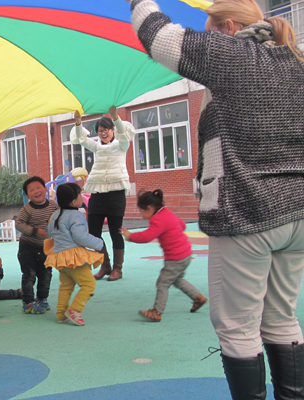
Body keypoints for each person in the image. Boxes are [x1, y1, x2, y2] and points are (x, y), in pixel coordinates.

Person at [128, 0, 304, 397]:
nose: (205, 37)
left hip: (247, 209)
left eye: (208, 30)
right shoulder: (296, 62)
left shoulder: (233, 54)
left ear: (228, 27)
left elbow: (158, 36)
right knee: (281, 317)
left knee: (237, 327)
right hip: (298, 211)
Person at [119, 189, 207, 323]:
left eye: (141, 211)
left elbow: (147, 236)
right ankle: (197, 297)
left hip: (175, 258)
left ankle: (157, 311)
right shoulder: (167, 212)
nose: (142, 216)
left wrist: (130, 236)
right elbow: (182, 225)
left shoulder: (158, 219)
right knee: (176, 279)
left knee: (162, 283)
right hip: (186, 253)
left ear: (149, 208)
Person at [71, 106, 136, 281]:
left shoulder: (121, 144)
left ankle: (118, 268)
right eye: (100, 131)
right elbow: (82, 140)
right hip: (97, 193)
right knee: (93, 233)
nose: (103, 133)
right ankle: (105, 264)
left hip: (116, 194)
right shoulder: (97, 147)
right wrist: (78, 123)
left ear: (112, 129)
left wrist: (116, 117)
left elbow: (124, 135)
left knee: (116, 232)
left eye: (106, 129)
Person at [44, 183, 104, 326]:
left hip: (60, 256)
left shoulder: (55, 215)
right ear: (74, 201)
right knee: (88, 284)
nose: (81, 196)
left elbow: (50, 231)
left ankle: (61, 314)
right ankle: (74, 310)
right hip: (74, 258)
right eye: (79, 194)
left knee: (66, 285)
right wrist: (99, 243)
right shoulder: (76, 216)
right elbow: (80, 237)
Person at [16, 176, 58, 314]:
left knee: (46, 274)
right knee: (29, 274)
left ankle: (42, 298)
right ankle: (28, 302)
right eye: (32, 190)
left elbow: (61, 218)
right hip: (28, 247)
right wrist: (34, 231)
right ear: (28, 195)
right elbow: (19, 224)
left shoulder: (53, 205)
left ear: (45, 189)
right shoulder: (27, 209)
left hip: (46, 248)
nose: (36, 191)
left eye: (39, 188)